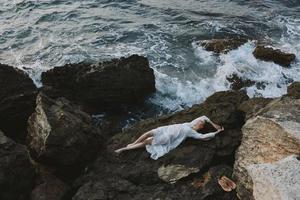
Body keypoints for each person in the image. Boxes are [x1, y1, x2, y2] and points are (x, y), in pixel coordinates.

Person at [114, 115, 224, 160]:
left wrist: (217, 132)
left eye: (201, 123)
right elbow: (204, 117)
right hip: (165, 129)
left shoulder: (191, 132)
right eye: (200, 121)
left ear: (200, 127)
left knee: (146, 142)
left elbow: (203, 137)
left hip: (167, 137)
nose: (200, 121)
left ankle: (124, 149)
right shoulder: (191, 124)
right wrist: (214, 124)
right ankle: (133, 143)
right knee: (147, 133)